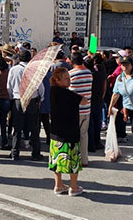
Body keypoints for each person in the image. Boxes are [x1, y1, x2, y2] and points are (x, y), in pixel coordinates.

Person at [49, 67, 89, 196]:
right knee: (73, 160)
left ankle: (58, 185)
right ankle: (73, 186)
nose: (69, 80)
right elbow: (84, 101)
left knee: (56, 160)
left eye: (69, 77)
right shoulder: (67, 94)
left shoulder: (53, 91)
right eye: (66, 78)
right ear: (57, 80)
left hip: (56, 131)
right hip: (69, 132)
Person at [7, 50, 44, 161]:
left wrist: (12, 97)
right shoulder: (34, 70)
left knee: (17, 128)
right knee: (34, 128)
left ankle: (15, 152)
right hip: (31, 100)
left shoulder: (13, 70)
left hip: (18, 99)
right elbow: (40, 87)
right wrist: (41, 99)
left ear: (19, 59)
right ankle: (36, 153)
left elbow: (9, 85)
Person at [68, 52, 93, 166]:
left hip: (74, 110)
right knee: (84, 134)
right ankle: (84, 159)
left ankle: (72, 158)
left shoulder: (70, 74)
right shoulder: (89, 73)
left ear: (72, 62)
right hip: (86, 109)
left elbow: (68, 92)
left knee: (72, 135)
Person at [87, 53, 106, 152]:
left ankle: (91, 144)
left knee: (91, 123)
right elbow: (104, 84)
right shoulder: (101, 71)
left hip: (91, 100)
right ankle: (97, 142)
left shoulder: (90, 75)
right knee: (97, 122)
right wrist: (103, 95)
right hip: (99, 99)